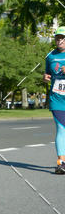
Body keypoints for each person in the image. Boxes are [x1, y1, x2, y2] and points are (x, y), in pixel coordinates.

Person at [43, 26, 65, 175]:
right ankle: (61, 163)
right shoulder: (50, 56)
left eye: (62, 38)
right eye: (58, 38)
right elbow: (46, 73)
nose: (60, 41)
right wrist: (45, 77)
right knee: (62, 129)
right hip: (57, 98)